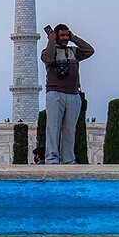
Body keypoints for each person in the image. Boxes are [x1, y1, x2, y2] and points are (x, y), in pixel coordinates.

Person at [40, 23, 94, 165]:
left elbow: (89, 51)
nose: (64, 38)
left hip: (73, 94)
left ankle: (68, 159)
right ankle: (52, 159)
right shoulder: (48, 51)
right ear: (56, 36)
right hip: (55, 93)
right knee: (53, 128)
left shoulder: (73, 51)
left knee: (70, 130)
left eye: (66, 35)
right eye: (62, 35)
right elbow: (49, 59)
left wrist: (74, 38)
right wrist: (51, 41)